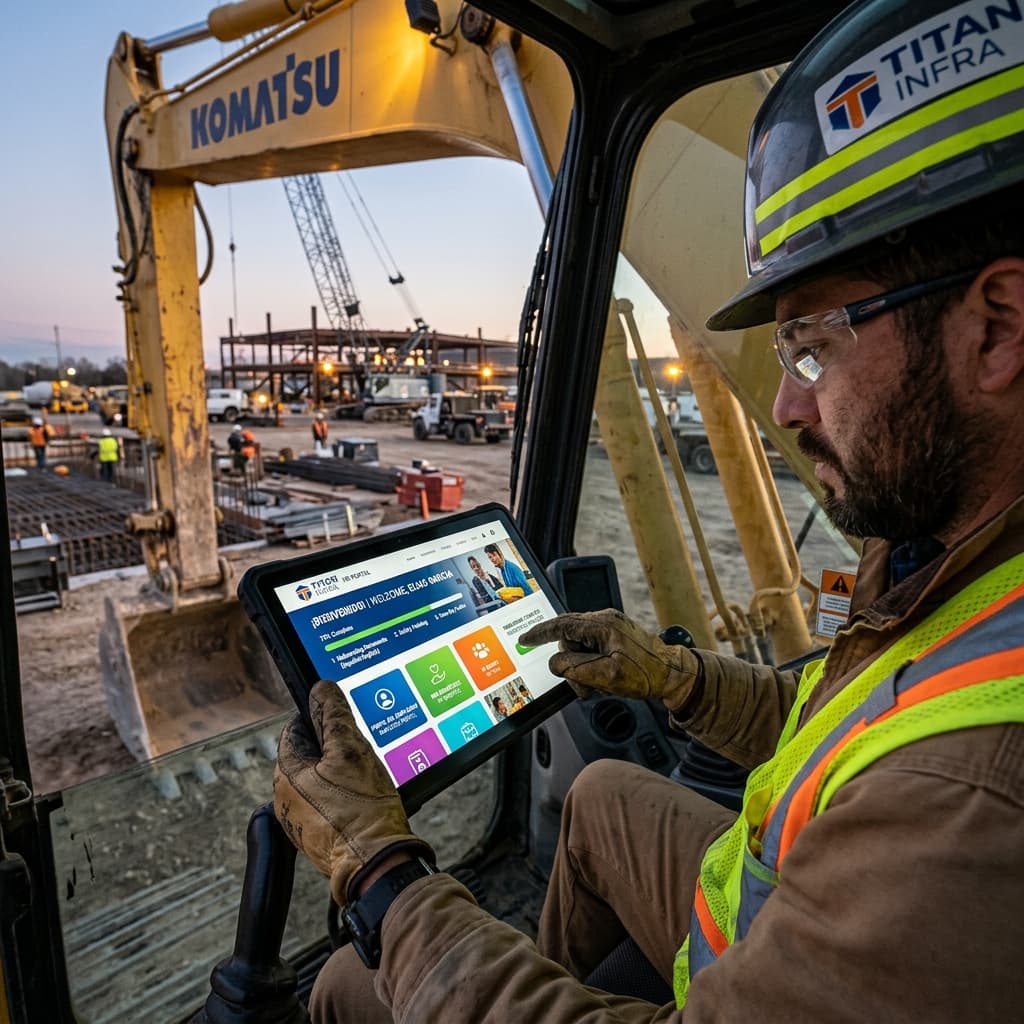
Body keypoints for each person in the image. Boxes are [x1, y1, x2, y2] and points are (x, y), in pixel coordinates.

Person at [272, 3, 1024, 1020]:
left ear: (998, 328)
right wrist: (675, 676)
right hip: (774, 912)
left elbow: (912, 770)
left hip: (761, 959)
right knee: (594, 797)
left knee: (339, 986)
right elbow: (846, 727)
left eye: (815, 346)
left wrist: (379, 871)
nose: (787, 406)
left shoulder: (970, 805)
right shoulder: (964, 561)